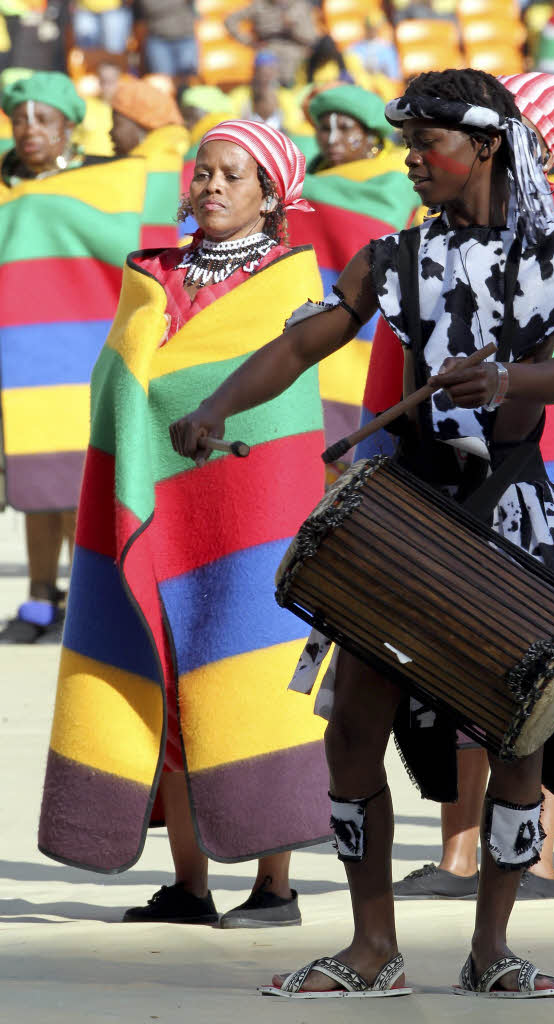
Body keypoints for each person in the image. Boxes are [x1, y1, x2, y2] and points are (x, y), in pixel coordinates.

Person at [170, 69, 554, 996]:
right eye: (403, 142)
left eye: (427, 144)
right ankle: (372, 948)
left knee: (520, 736)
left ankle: (492, 948)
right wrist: (213, 407)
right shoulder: (392, 257)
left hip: (512, 514)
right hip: (406, 512)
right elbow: (300, 343)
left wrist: (505, 384)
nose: (409, 160)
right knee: (350, 734)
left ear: (485, 145)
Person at [38, 119, 331, 929]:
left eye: (231, 176)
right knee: (162, 676)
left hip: (253, 514)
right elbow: (124, 380)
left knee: (249, 679)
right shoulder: (153, 276)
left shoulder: (291, 285)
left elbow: (287, 406)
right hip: (155, 507)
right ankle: (190, 886)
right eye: (202, 173)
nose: (209, 188)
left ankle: (275, 887)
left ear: (271, 196)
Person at [391, 71, 554, 903]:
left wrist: (502, 384)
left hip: (535, 456)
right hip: (447, 445)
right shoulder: (434, 230)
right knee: (448, 663)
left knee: (535, 664)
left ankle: (537, 856)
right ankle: (461, 850)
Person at [0, 71, 104, 643]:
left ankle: (86, 604)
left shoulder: (100, 183)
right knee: (31, 482)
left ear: (70, 127)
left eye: (44, 119)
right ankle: (40, 598)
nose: (30, 129)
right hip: (19, 361)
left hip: (80, 356)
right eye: (20, 119)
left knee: (77, 486)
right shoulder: (6, 182)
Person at [286, 83, 419, 479]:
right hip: (306, 316)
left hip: (366, 321)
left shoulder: (395, 179)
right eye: (325, 128)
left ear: (372, 136)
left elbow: (377, 229)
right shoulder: (306, 176)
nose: (333, 138)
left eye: (346, 128)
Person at [109, 74, 189, 247]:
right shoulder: (182, 154)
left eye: (116, 123)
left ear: (140, 124)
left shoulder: (141, 170)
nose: (110, 133)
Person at [225, 0, 318, 88]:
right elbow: (230, 20)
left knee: (293, 57)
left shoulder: (299, 6)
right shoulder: (259, 5)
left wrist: (294, 28)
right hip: (268, 45)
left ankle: (290, 89)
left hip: (294, 45)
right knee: (266, 59)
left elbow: (311, 37)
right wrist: (248, 41)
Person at [134, 0, 198, 84]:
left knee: (190, 81)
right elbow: (150, 7)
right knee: (163, 82)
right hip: (158, 40)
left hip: (185, 37)